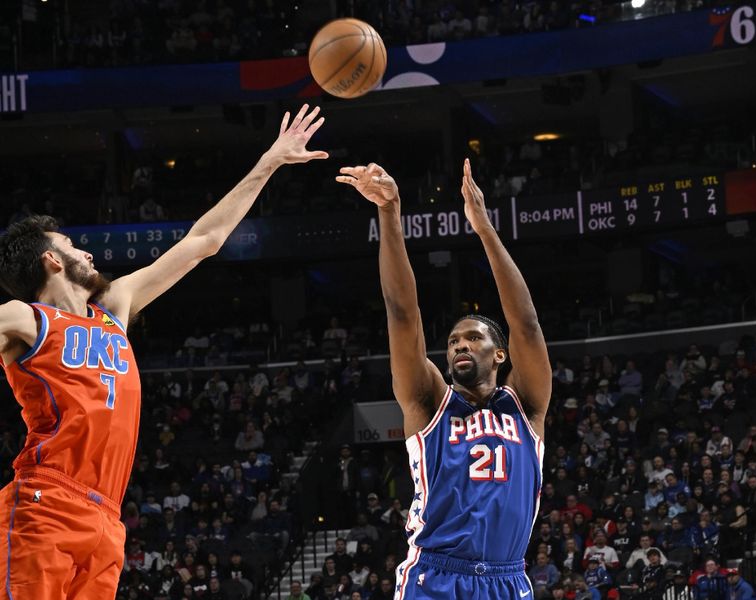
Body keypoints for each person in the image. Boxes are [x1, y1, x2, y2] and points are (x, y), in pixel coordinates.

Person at [0, 104, 327, 599]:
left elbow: (205, 240)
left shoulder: (113, 308)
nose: (87, 252)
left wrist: (271, 161)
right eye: (72, 245)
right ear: (52, 260)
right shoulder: (25, 320)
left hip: (107, 516)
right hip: (45, 501)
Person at [336, 157, 550, 598]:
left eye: (473, 338)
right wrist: (390, 213)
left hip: (508, 579)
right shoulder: (430, 402)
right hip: (436, 577)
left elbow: (526, 323)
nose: (459, 346)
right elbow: (401, 313)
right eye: (453, 341)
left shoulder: (526, 405)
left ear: (500, 354)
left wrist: (484, 229)